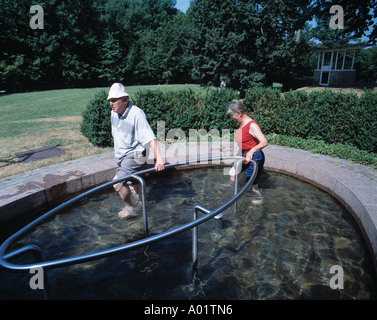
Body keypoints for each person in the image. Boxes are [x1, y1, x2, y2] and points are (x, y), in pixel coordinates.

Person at [108, 83, 165, 218]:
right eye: (110, 100)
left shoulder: (136, 114)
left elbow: (151, 138)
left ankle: (130, 207)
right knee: (132, 184)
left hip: (136, 154)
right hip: (124, 155)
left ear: (125, 100)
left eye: (114, 100)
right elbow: (117, 134)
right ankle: (142, 204)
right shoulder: (113, 113)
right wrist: (118, 154)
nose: (111, 103)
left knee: (117, 183)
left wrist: (159, 159)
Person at [227, 99, 268, 202]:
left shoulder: (252, 125)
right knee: (232, 172)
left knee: (251, 185)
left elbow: (264, 142)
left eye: (232, 115)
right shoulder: (241, 123)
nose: (232, 118)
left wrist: (251, 151)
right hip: (243, 155)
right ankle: (232, 190)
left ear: (239, 113)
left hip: (255, 157)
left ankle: (259, 199)